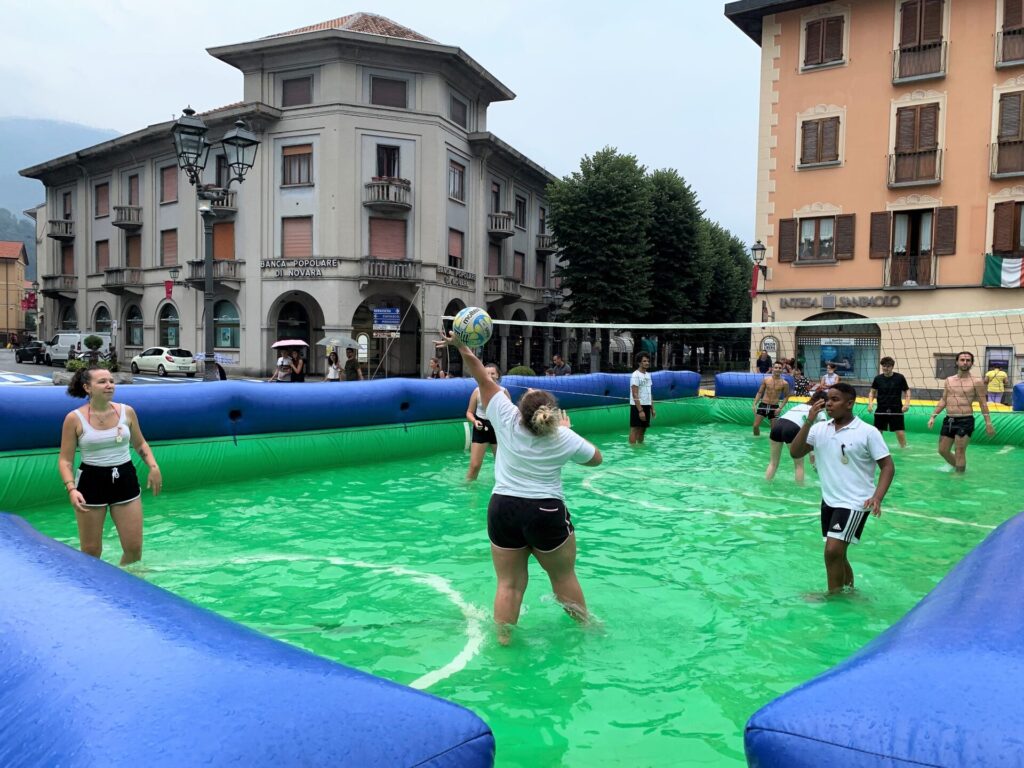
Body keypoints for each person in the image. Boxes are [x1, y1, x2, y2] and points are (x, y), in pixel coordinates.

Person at [436, 329, 602, 645]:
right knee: (563, 577)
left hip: (504, 509)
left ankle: (503, 640)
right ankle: (586, 630)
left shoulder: (504, 415)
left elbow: (480, 376)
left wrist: (461, 347)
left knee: (509, 585)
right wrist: (568, 432)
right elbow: (597, 460)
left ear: (520, 409)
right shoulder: (562, 436)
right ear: (551, 415)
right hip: (545, 511)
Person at [790, 382, 895, 594]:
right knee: (839, 554)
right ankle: (849, 591)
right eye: (828, 399)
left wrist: (878, 497)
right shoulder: (819, 429)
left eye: (835, 399)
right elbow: (795, 452)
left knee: (832, 551)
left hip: (856, 502)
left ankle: (833, 597)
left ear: (849, 403)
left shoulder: (867, 432)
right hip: (829, 501)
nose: (829, 403)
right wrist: (809, 420)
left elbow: (888, 466)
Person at [58, 367, 162, 565]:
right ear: (87, 387)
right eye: (102, 382)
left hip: (124, 478)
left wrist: (153, 466)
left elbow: (140, 443)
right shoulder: (74, 418)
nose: (109, 385)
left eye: (111, 381)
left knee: (134, 549)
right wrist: (71, 489)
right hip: (91, 481)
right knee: (91, 551)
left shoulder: (127, 412)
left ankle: (126, 588)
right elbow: (65, 460)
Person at [927, 351, 996, 472]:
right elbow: (944, 399)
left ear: (972, 363)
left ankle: (959, 477)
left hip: (965, 420)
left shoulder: (976, 381)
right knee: (942, 450)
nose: (965, 362)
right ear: (957, 362)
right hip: (949, 419)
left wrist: (988, 423)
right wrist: (933, 416)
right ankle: (960, 468)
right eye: (962, 360)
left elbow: (983, 403)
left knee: (959, 451)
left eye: (968, 360)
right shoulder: (949, 380)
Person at [766, 390, 828, 483]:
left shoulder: (800, 406)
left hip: (777, 426)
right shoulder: (820, 412)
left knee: (773, 463)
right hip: (792, 428)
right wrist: (813, 452)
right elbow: (822, 429)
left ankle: (766, 483)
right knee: (799, 466)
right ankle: (800, 489)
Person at [465, 364, 511, 481]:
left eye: (493, 373)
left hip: (498, 428)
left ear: (498, 376)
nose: (490, 376)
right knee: (474, 465)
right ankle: (467, 489)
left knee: (500, 464)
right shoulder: (477, 391)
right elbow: (469, 412)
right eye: (487, 374)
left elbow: (510, 413)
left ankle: (502, 488)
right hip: (481, 427)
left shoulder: (503, 392)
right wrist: (475, 421)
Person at [867, 356, 911, 448]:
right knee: (877, 432)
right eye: (883, 366)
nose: (885, 368)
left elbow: (907, 391)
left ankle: (904, 450)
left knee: (900, 433)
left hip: (896, 408)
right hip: (881, 408)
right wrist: (870, 403)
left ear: (892, 367)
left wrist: (907, 404)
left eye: (887, 366)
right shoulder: (878, 379)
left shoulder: (899, 377)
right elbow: (872, 392)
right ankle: (877, 449)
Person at [752, 362, 791, 436]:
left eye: (780, 368)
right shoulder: (766, 380)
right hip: (763, 405)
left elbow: (786, 396)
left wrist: (780, 408)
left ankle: (771, 444)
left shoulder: (784, 383)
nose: (778, 369)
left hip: (774, 407)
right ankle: (756, 441)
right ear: (773, 369)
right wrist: (754, 404)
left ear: (782, 370)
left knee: (773, 430)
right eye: (776, 367)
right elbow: (760, 392)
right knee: (755, 426)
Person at [629, 352, 656, 445]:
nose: (647, 363)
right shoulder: (635, 375)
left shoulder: (648, 375)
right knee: (635, 428)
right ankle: (632, 449)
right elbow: (634, 394)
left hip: (647, 404)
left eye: (648, 361)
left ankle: (640, 447)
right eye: (644, 361)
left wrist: (652, 408)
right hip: (637, 406)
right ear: (639, 363)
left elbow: (650, 392)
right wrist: (640, 410)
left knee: (643, 428)